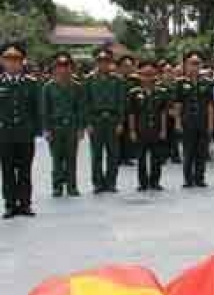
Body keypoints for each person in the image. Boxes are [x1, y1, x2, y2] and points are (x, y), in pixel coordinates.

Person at [0, 42, 41, 218]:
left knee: (25, 171)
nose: (12, 62)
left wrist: (37, 131)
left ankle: (25, 204)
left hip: (25, 134)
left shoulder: (31, 83)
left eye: (16, 58)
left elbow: (37, 109)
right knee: (7, 171)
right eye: (8, 58)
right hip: (4, 135)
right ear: (2, 60)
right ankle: (10, 205)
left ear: (23, 61)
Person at [83, 47, 126, 194]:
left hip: (113, 119)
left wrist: (120, 122)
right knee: (96, 154)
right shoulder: (89, 80)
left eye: (106, 61)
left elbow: (121, 102)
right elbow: (86, 102)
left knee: (113, 153)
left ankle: (111, 182)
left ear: (110, 63)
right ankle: (98, 183)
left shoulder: (118, 80)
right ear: (96, 62)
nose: (103, 64)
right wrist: (87, 123)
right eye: (100, 61)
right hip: (95, 120)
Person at [42, 52, 84, 197]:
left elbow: (80, 108)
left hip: (71, 127)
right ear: (54, 69)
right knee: (57, 158)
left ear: (71, 68)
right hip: (55, 127)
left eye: (66, 66)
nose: (63, 69)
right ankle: (57, 186)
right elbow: (45, 110)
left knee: (71, 158)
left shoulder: (77, 87)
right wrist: (46, 129)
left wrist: (80, 128)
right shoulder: (48, 87)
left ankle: (72, 186)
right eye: (60, 66)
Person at [175, 51, 214, 188]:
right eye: (192, 63)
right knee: (188, 152)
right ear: (186, 65)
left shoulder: (207, 83)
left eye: (197, 63)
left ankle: (200, 178)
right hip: (187, 121)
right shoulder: (180, 83)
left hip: (202, 121)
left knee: (202, 152)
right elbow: (178, 105)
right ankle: (188, 179)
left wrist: (210, 124)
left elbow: (210, 105)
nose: (195, 66)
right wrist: (178, 122)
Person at [128, 61, 169, 191]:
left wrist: (163, 130)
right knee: (141, 159)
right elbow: (131, 113)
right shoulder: (134, 92)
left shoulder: (161, 92)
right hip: (141, 129)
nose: (148, 77)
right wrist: (132, 131)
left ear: (155, 75)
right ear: (139, 75)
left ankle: (155, 182)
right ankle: (143, 183)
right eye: (145, 74)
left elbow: (163, 112)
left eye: (150, 74)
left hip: (156, 129)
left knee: (156, 158)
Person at [116, 55, 139, 165]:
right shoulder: (115, 79)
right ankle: (117, 157)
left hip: (132, 111)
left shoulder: (135, 80)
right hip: (118, 111)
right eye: (125, 66)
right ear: (119, 67)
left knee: (128, 135)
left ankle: (127, 157)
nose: (127, 68)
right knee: (117, 136)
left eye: (129, 66)